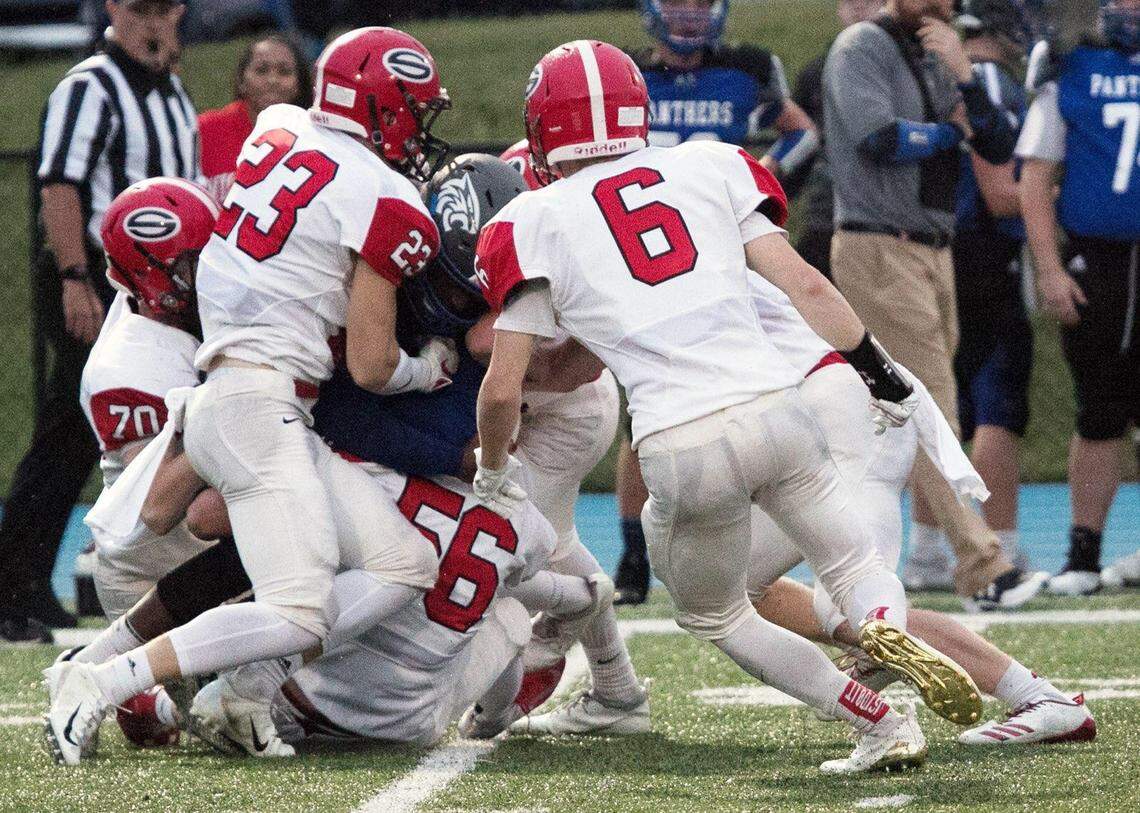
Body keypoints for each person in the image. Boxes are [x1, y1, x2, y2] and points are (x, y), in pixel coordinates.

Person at [473, 40, 990, 774]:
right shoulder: (711, 164)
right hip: (780, 411)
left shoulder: (530, 218)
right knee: (851, 558)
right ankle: (877, 623)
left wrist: (494, 474)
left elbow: (502, 386)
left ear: (543, 126)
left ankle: (875, 717)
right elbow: (807, 286)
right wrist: (881, 372)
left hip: (682, 441)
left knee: (714, 612)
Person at [43, 26, 458, 767]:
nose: (420, 131)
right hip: (258, 405)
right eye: (414, 111)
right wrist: (426, 369)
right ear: (385, 108)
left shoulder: (279, 125)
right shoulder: (387, 196)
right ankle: (102, 682)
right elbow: (368, 363)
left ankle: (237, 690)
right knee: (299, 606)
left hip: (240, 396)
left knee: (405, 561)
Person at [737, 275, 1095, 745]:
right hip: (836, 409)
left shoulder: (667, 284)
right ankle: (876, 640)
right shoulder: (696, 262)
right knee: (733, 583)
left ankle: (1041, 698)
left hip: (850, 413)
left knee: (849, 595)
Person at [823, 0, 1046, 607]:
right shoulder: (863, 48)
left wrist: (968, 80)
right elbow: (881, 139)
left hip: (933, 250)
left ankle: (864, 559)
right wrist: (953, 132)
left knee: (897, 417)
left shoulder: (937, 51)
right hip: (878, 244)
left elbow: (998, 146)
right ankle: (984, 566)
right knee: (930, 406)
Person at [0, 0, 199, 642]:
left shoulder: (171, 94)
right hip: (106, 278)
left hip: (161, 291)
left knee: (99, 431)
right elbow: (59, 184)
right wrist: (73, 277)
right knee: (71, 427)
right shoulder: (89, 85)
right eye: (140, 9)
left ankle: (30, 582)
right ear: (114, 8)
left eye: (163, 10)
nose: (152, 23)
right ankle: (15, 584)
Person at [612, 0, 821, 604]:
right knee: (643, 408)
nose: (689, 14)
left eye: (700, 2)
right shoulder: (627, 74)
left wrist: (760, 175)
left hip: (722, 251)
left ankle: (746, 547)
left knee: (742, 391)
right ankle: (632, 554)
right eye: (678, 2)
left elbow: (802, 131)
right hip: (645, 252)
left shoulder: (748, 69)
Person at [1017, 0, 1140, 596]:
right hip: (1098, 256)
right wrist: (1048, 267)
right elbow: (1035, 173)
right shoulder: (1070, 67)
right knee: (1099, 404)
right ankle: (1084, 553)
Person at [950, 0, 1037, 576]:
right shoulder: (987, 82)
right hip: (984, 251)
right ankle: (995, 544)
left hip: (943, 248)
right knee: (997, 406)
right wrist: (1059, 197)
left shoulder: (945, 69)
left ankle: (936, 551)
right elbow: (1002, 192)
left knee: (945, 406)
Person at [787, 0, 884, 278]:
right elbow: (802, 145)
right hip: (826, 214)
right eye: (851, 1)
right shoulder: (816, 72)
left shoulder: (901, 68)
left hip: (882, 219)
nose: (859, 7)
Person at [198, 33, 312, 202]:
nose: (273, 80)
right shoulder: (203, 129)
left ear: (299, 85)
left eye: (284, 72)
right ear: (241, 80)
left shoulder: (314, 139)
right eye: (261, 70)